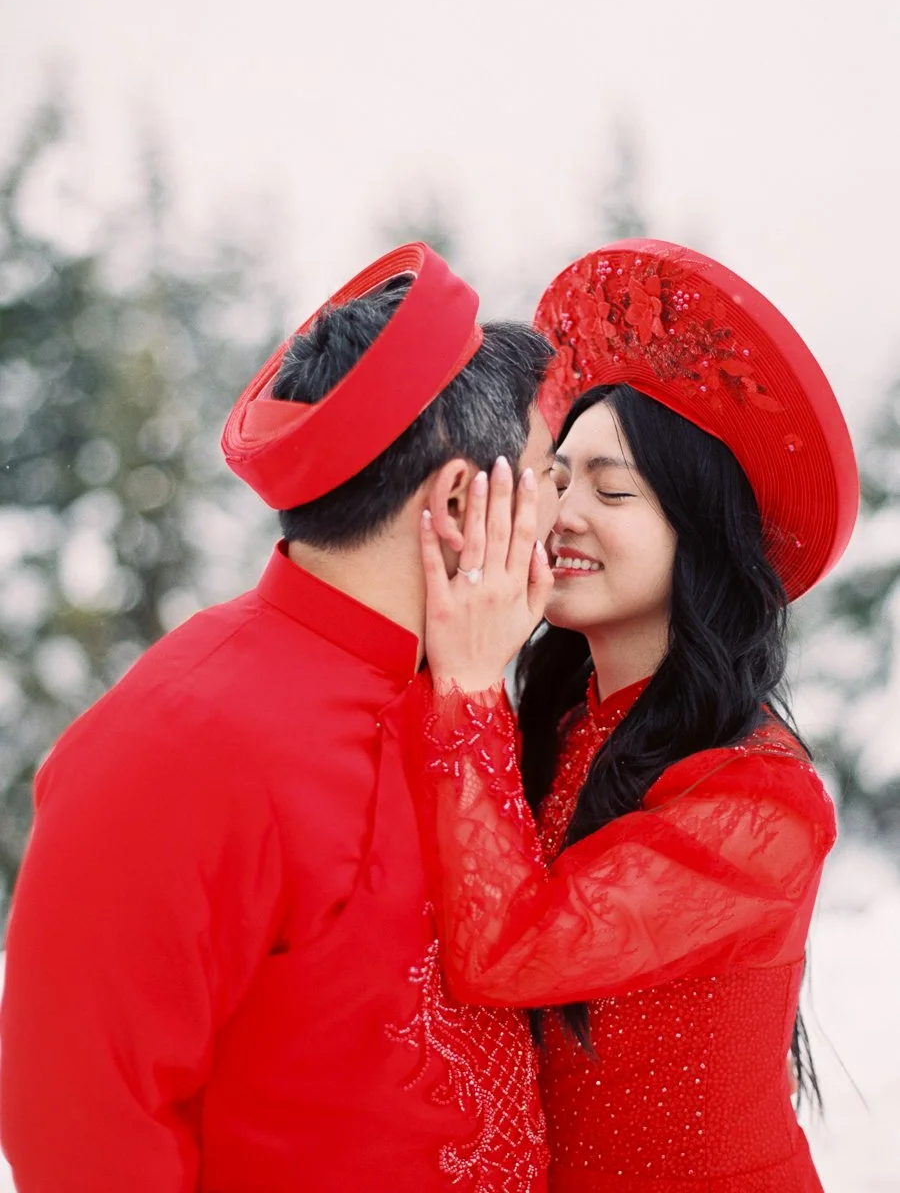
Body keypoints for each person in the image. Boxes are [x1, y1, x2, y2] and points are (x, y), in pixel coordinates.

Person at [0, 243, 561, 1191]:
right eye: (548, 473)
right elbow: (78, 1128)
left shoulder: (467, 686)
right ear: (464, 501)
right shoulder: (180, 740)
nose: (562, 510)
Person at [406, 239, 858, 1192]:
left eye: (612, 490)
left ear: (701, 536)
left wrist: (472, 682)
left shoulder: (761, 804)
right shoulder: (562, 723)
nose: (563, 513)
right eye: (558, 478)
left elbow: (506, 951)